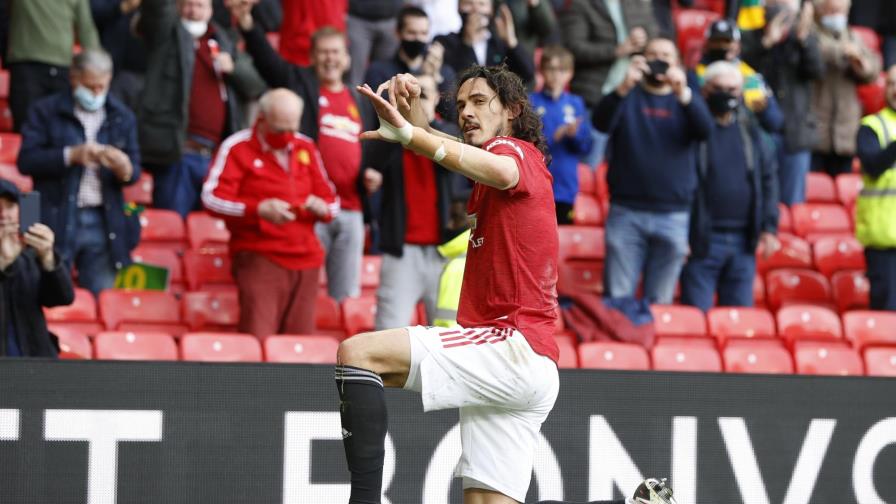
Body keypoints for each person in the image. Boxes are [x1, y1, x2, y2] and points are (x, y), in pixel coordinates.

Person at [337, 62, 672, 504]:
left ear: (512, 110)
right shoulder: (495, 166)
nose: (466, 112)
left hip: (509, 346)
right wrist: (413, 112)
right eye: (460, 105)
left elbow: (493, 167)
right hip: (528, 366)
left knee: (358, 354)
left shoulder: (516, 154)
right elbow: (448, 147)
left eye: (479, 101)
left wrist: (414, 135)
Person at [231, 1, 372, 301]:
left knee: (345, 297)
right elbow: (268, 61)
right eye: (323, 52)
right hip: (309, 207)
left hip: (351, 210)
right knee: (303, 288)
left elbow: (373, 150)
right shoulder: (301, 83)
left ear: (347, 58)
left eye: (336, 52)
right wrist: (247, 24)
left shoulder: (359, 99)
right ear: (311, 57)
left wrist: (373, 174)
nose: (330, 59)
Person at [202, 88, 338, 337]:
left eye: (291, 129)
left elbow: (332, 201)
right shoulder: (237, 147)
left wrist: (322, 208)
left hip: (307, 260)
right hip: (260, 257)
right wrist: (257, 209)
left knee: (300, 348)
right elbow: (211, 199)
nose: (287, 137)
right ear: (261, 119)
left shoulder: (306, 145)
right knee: (258, 341)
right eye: (279, 130)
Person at [593, 38, 714, 304]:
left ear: (677, 63)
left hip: (673, 214)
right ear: (642, 60)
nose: (659, 60)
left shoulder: (686, 99)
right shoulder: (627, 95)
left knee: (661, 302)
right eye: (653, 55)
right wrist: (623, 86)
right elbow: (600, 123)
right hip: (627, 211)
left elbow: (706, 130)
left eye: (666, 55)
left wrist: (683, 92)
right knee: (618, 300)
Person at [17, 49, 141, 296]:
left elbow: (134, 172)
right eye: (90, 85)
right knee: (42, 291)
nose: (96, 93)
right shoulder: (45, 110)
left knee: (102, 298)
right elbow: (26, 161)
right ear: (74, 78)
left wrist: (124, 168)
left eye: (101, 87)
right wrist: (70, 155)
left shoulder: (122, 116)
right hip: (53, 213)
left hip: (103, 220)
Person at [137, 0, 262, 218]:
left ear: (210, 10)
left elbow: (255, 85)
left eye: (200, 5)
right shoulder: (166, 33)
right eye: (187, 4)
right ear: (177, 7)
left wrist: (233, 68)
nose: (193, 11)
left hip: (215, 158)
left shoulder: (222, 39)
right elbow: (156, 9)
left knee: (210, 233)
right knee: (172, 227)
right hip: (178, 153)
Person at [363, 74, 466, 330]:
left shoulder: (449, 133)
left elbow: (455, 152)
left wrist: (421, 121)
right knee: (389, 332)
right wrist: (395, 119)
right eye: (408, 96)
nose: (414, 101)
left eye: (422, 95)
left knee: (448, 339)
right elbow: (369, 164)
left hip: (446, 253)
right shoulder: (392, 138)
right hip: (401, 253)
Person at [681, 61, 780, 312]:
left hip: (743, 242)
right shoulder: (693, 128)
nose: (726, 94)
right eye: (719, 87)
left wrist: (769, 227)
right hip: (702, 239)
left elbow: (768, 178)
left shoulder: (751, 130)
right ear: (705, 90)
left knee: (739, 321)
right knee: (695, 319)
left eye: (733, 89)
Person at [741, 0, 824, 205]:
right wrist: (767, 42)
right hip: (759, 128)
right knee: (758, 197)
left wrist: (803, 40)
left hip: (796, 133)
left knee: (792, 204)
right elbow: (740, 66)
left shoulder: (804, 37)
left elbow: (817, 71)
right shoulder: (752, 36)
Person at [0, 179, 75, 358]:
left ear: (21, 210)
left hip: (36, 361)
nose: (3, 215)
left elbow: (62, 298)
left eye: (10, 206)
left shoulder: (32, 252)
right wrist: (3, 264)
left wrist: (48, 257)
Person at [2, 0, 99, 132]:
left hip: (34, 65)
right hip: (39, 65)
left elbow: (86, 29)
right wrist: (98, 66)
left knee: (36, 130)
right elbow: (86, 30)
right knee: (53, 132)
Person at [811, 0, 880, 176]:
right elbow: (817, 51)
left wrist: (862, 65)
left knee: (844, 186)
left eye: (841, 11)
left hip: (845, 131)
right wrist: (845, 52)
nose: (837, 16)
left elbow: (872, 67)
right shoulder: (811, 32)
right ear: (821, 11)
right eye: (832, 11)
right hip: (817, 128)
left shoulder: (853, 36)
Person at [529, 45, 593, 224]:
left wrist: (574, 135)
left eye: (562, 70)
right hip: (537, 185)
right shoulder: (531, 101)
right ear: (541, 71)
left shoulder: (576, 102)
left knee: (562, 240)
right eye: (551, 69)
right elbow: (525, 142)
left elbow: (586, 147)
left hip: (565, 186)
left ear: (570, 73)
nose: (556, 75)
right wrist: (553, 135)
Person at [687, 19, 784, 136]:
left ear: (737, 45)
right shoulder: (694, 75)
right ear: (707, 44)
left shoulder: (750, 75)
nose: (722, 46)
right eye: (717, 41)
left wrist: (764, 110)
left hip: (745, 139)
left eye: (727, 41)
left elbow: (775, 122)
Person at [363, 6, 457, 120]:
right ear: (398, 32)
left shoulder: (443, 72)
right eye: (412, 33)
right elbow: (382, 113)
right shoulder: (379, 70)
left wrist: (435, 77)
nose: (418, 38)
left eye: (423, 33)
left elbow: (452, 116)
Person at [855, 64, 896, 311]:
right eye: (891, 84)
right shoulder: (872, 126)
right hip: (884, 240)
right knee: (888, 313)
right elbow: (872, 165)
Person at [434, 0, 535, 87]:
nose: (475, 9)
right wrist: (467, 43)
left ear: (491, 10)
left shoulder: (499, 44)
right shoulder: (446, 42)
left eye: (482, 4)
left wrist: (511, 41)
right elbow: (453, 80)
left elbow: (527, 75)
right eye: (468, 3)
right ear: (458, 7)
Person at [346, 0, 403, 86]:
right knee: (354, 75)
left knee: (387, 76)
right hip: (358, 17)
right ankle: (353, 99)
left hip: (391, 17)